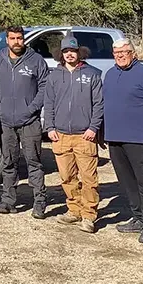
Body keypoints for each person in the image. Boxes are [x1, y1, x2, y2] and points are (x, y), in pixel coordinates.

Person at [103, 38, 143, 244]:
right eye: (116, 52)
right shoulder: (111, 75)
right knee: (127, 182)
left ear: (133, 53)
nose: (120, 55)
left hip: (141, 140)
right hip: (116, 139)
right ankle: (138, 217)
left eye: (125, 52)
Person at [44, 35, 104, 234]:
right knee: (67, 177)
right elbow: (49, 104)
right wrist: (50, 127)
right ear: (61, 54)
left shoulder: (92, 74)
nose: (70, 54)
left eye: (73, 51)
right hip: (60, 135)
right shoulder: (53, 76)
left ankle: (88, 215)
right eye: (66, 51)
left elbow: (99, 104)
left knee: (89, 178)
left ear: (79, 52)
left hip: (84, 136)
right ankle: (74, 209)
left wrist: (93, 127)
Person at [0, 26, 50, 218]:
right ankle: (8, 200)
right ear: (7, 40)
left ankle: (39, 202)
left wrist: (31, 109)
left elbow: (45, 87)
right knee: (8, 162)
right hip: (6, 122)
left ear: (24, 40)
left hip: (29, 122)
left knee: (34, 163)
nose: (16, 42)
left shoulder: (36, 60)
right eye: (12, 38)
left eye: (20, 38)